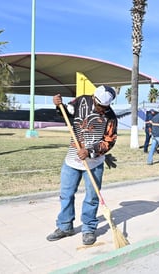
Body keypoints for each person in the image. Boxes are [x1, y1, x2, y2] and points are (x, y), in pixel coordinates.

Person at [46, 85, 118, 245]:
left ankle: (88, 229)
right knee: (66, 194)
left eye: (105, 107)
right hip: (72, 160)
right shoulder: (81, 101)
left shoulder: (111, 117)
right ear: (94, 99)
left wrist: (90, 151)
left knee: (92, 198)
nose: (101, 110)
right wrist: (59, 105)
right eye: (99, 106)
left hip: (94, 164)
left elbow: (109, 141)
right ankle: (65, 227)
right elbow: (66, 113)